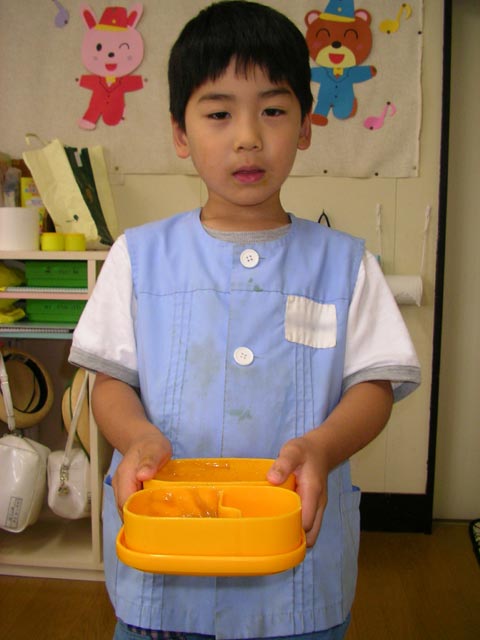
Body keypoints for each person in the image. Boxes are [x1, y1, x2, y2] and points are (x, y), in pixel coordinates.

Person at [69, 2, 421, 639]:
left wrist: (321, 447)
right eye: (219, 113)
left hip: (295, 579)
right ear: (180, 132)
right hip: (165, 568)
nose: (248, 137)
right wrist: (136, 437)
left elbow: (373, 385)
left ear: (306, 125)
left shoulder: (345, 264)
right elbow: (111, 379)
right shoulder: (139, 257)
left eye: (274, 111)